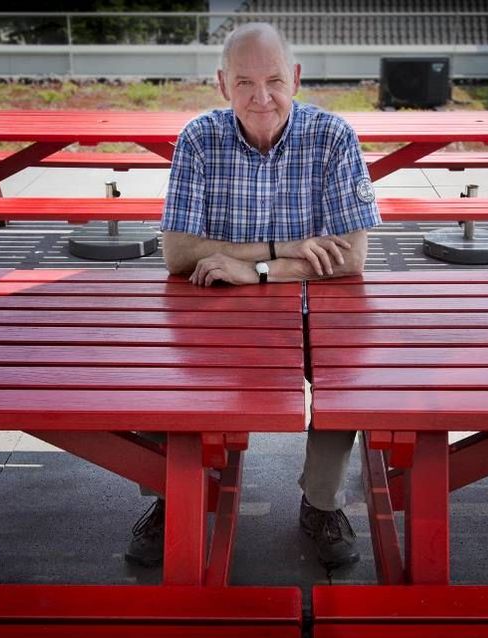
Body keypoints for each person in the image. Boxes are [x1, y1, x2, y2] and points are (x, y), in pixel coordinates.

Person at [124, 21, 379, 570]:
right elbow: (177, 253)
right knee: (169, 362)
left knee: (345, 371)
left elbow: (352, 258)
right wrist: (285, 250)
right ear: (222, 84)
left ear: (297, 78)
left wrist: (256, 272)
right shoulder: (199, 137)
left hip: (311, 305)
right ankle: (178, 492)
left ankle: (320, 501)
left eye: (274, 80)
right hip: (217, 308)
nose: (261, 97)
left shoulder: (334, 136)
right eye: (244, 82)